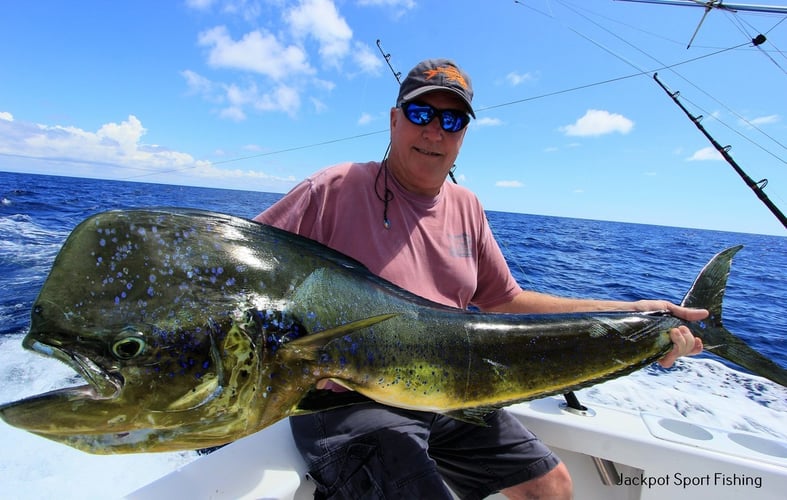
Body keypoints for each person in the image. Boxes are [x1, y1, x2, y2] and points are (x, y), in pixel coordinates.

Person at [253, 58, 705, 500]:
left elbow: (507, 301)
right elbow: (248, 273)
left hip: (449, 393)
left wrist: (643, 314)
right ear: (394, 120)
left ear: (463, 135)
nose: (434, 131)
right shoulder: (333, 188)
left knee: (552, 487)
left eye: (451, 120)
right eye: (420, 113)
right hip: (348, 400)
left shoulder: (467, 205)